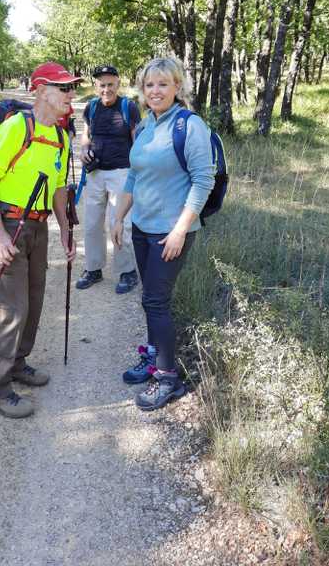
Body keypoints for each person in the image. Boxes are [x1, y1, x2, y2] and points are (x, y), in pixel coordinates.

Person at [111, 57, 215, 411]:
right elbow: (133, 175)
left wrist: (180, 231)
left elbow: (203, 180)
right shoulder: (144, 127)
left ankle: (168, 378)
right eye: (149, 85)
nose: (155, 91)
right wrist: (119, 216)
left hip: (171, 231)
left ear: (177, 88)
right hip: (142, 227)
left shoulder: (189, 125)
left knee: (157, 301)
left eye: (163, 84)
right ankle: (154, 356)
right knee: (149, 298)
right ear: (142, 91)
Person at [0, 62, 79, 418]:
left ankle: (18, 363)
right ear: (40, 91)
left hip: (38, 227)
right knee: (10, 309)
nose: (71, 94)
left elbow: (59, 189)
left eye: (72, 88)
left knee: (33, 301)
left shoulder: (62, 138)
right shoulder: (16, 127)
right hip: (9, 223)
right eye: (63, 88)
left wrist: (66, 231)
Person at [76, 64, 141, 294]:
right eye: (102, 85)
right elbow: (86, 135)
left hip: (121, 174)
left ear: (118, 84)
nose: (106, 89)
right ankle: (93, 269)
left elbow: (137, 140)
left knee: (119, 223)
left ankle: (127, 272)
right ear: (96, 86)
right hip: (94, 174)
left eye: (110, 85)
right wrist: (84, 151)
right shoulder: (91, 107)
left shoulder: (128, 107)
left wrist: (139, 172)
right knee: (92, 224)